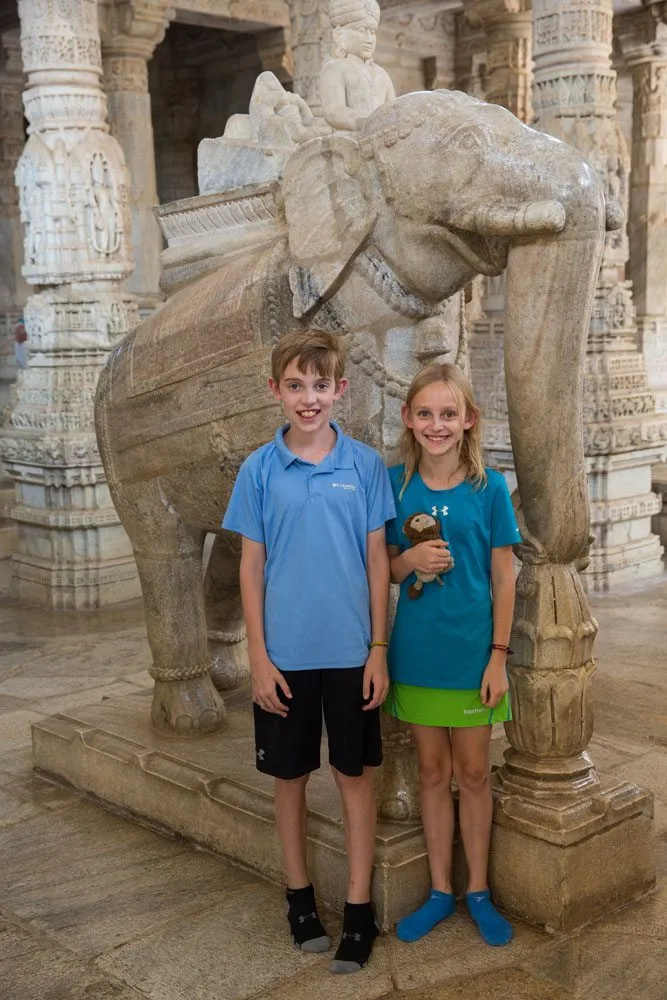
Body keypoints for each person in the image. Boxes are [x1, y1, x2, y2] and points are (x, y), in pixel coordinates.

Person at [223, 330, 396, 974]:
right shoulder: (259, 469)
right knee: (290, 777)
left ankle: (358, 909)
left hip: (351, 653)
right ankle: (298, 899)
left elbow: (378, 561)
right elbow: (250, 567)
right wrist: (258, 658)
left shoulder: (366, 467)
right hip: (285, 658)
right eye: (295, 385)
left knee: (354, 776)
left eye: (320, 385)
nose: (308, 397)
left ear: (340, 392)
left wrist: (377, 649)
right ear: (275, 391)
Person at [384, 362, 520, 947]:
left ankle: (479, 891)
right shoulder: (393, 483)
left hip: (472, 657)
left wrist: (498, 657)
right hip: (417, 655)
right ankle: (441, 890)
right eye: (425, 414)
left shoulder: (489, 488)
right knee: (433, 773)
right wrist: (408, 563)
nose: (436, 425)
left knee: (472, 773)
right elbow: (384, 569)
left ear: (468, 421)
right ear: (408, 419)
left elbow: (506, 578)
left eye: (448, 414)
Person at [320, 0, 395, 132]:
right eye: (361, 30)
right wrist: (366, 123)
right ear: (339, 35)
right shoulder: (335, 68)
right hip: (352, 138)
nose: (369, 39)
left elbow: (394, 109)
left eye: (372, 31)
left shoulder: (381, 73)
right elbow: (333, 111)